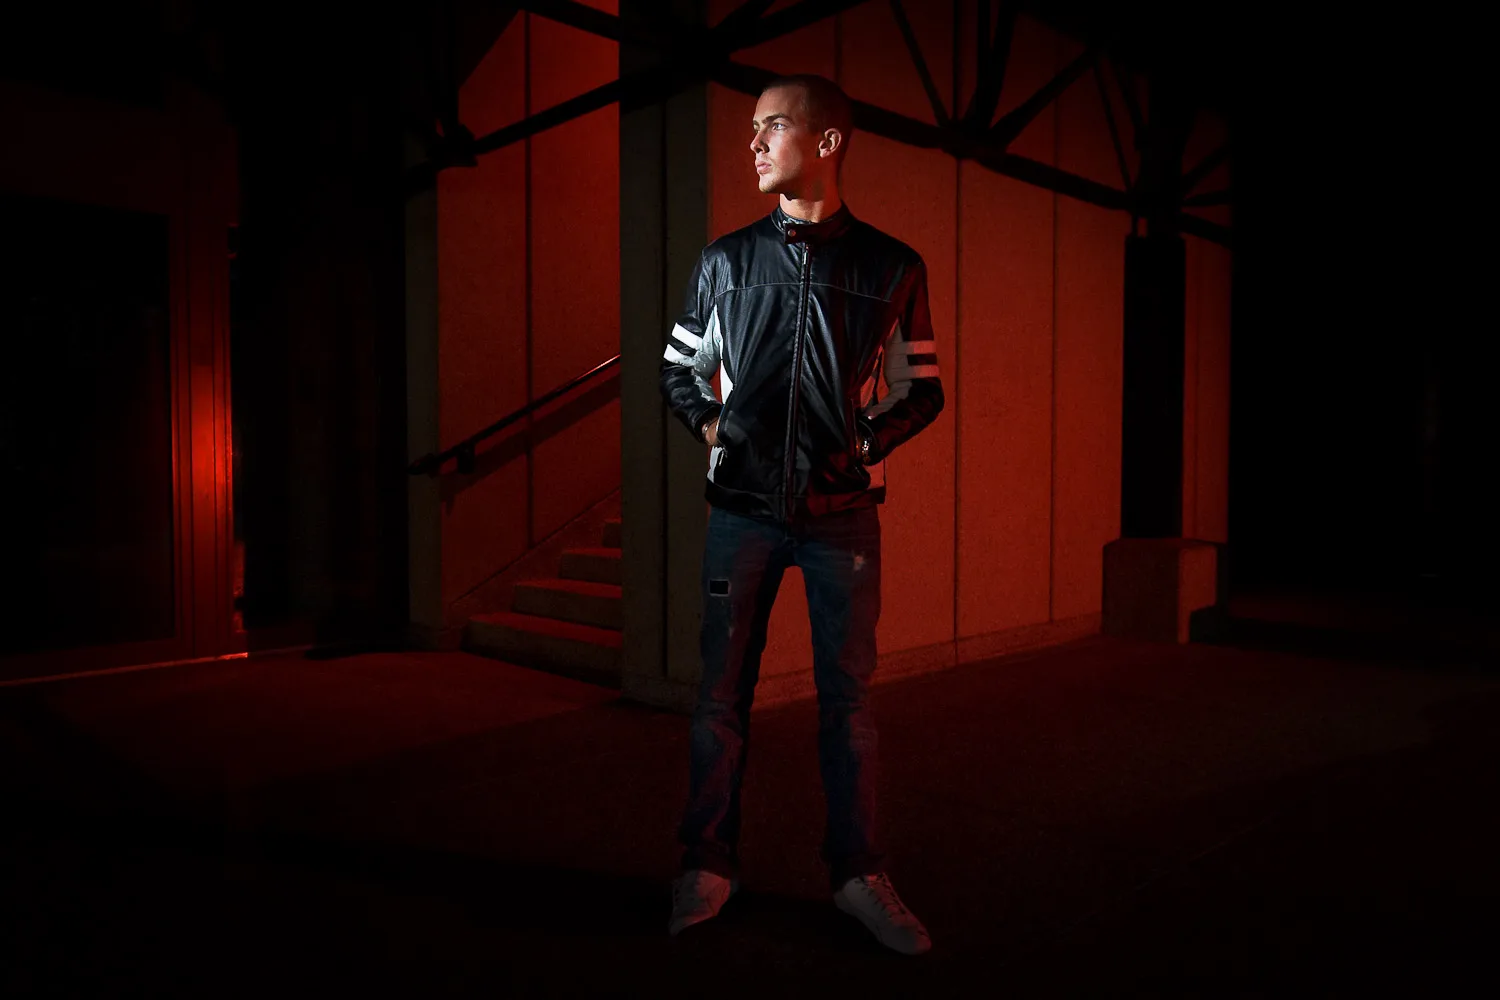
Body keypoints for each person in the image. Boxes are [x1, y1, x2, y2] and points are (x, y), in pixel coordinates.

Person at [658, 73, 945, 956]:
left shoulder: (893, 267)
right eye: (751, 128)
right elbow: (676, 370)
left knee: (847, 704)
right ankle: (707, 865)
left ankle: (858, 876)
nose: (752, 143)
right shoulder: (724, 261)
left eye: (771, 127)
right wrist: (715, 426)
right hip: (740, 514)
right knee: (719, 698)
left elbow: (922, 389)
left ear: (826, 143)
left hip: (841, 518)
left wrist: (865, 440)